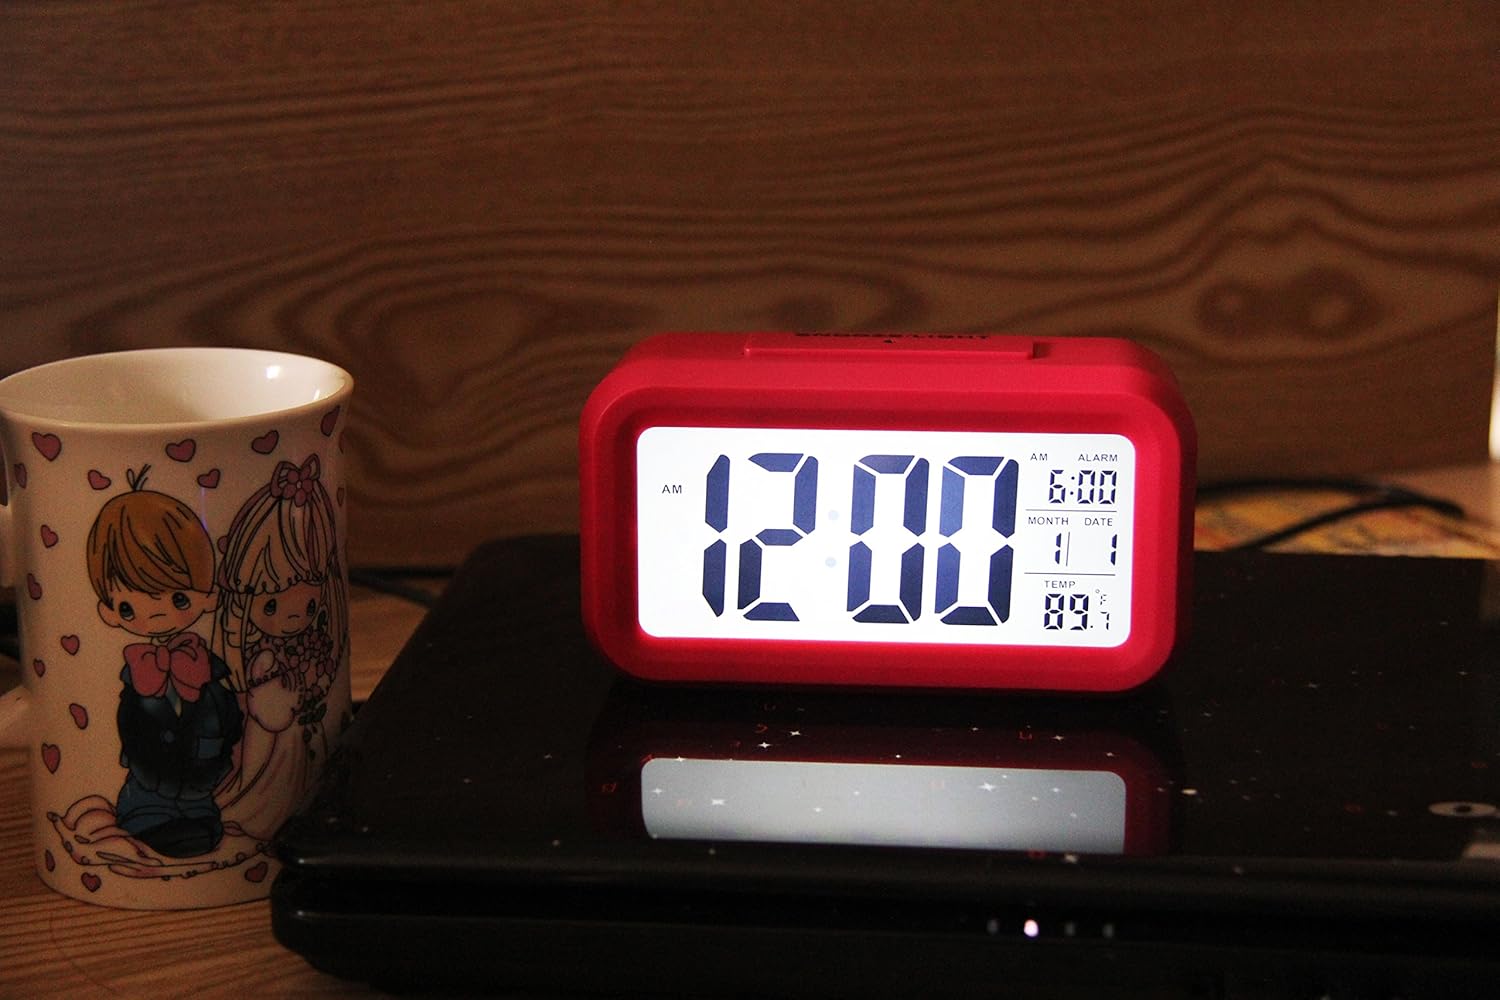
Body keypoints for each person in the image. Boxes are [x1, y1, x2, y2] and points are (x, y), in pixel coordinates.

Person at [86, 467, 244, 858]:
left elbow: (229, 714)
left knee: (201, 825)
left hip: (200, 781)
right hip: (146, 782)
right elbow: (130, 721)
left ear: (209, 597)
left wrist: (226, 750)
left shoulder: (207, 670)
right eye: (129, 605)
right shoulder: (139, 674)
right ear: (109, 611)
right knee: (145, 821)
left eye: (178, 599)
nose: (157, 613)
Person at [213, 454, 348, 842]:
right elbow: (269, 712)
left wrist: (314, 684)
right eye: (270, 605)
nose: (293, 619)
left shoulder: (309, 644)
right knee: (273, 787)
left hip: (302, 734)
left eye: (309, 605)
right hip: (274, 742)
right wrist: (297, 694)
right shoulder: (266, 659)